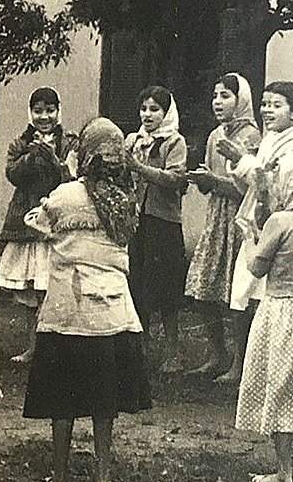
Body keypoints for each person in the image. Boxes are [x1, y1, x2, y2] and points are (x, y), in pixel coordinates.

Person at [23, 118, 150, 482]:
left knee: (62, 400)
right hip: (112, 312)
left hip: (67, 308)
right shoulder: (126, 200)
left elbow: (39, 223)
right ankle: (103, 477)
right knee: (104, 400)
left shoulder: (64, 196)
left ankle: (59, 479)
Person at [185, 74, 261, 378]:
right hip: (217, 217)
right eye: (215, 95)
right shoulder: (215, 135)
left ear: (240, 100)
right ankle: (218, 353)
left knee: (237, 294)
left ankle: (240, 363)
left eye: (226, 95)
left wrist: (214, 182)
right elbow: (210, 181)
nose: (218, 102)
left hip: (241, 218)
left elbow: (249, 187)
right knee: (203, 288)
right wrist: (202, 180)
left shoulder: (252, 136)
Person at [219, 80, 293, 385]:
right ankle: (244, 363)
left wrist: (242, 159)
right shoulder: (270, 139)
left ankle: (265, 366)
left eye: (276, 105)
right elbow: (251, 187)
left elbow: (275, 189)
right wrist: (243, 166)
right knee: (241, 295)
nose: (267, 111)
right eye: (265, 104)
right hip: (256, 227)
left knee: (269, 298)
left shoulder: (290, 144)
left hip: (277, 230)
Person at [0, 87, 75, 364]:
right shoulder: (20, 142)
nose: (44, 116)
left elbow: (71, 178)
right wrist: (33, 156)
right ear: (30, 113)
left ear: (58, 111)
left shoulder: (69, 142)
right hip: (28, 224)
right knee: (32, 290)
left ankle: (52, 346)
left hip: (54, 221)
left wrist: (53, 159)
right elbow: (12, 174)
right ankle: (33, 345)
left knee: (51, 288)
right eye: (38, 111)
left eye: (49, 110)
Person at [124, 86, 188, 372]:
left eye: (154, 109)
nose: (147, 115)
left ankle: (173, 351)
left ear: (166, 112)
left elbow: (176, 179)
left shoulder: (174, 141)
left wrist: (140, 168)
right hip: (138, 220)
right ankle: (141, 347)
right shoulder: (133, 140)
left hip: (164, 222)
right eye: (144, 108)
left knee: (165, 287)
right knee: (137, 282)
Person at [235, 200, 293, 482]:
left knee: (281, 387)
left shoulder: (281, 221)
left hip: (283, 311)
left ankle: (285, 473)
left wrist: (249, 238)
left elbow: (256, 267)